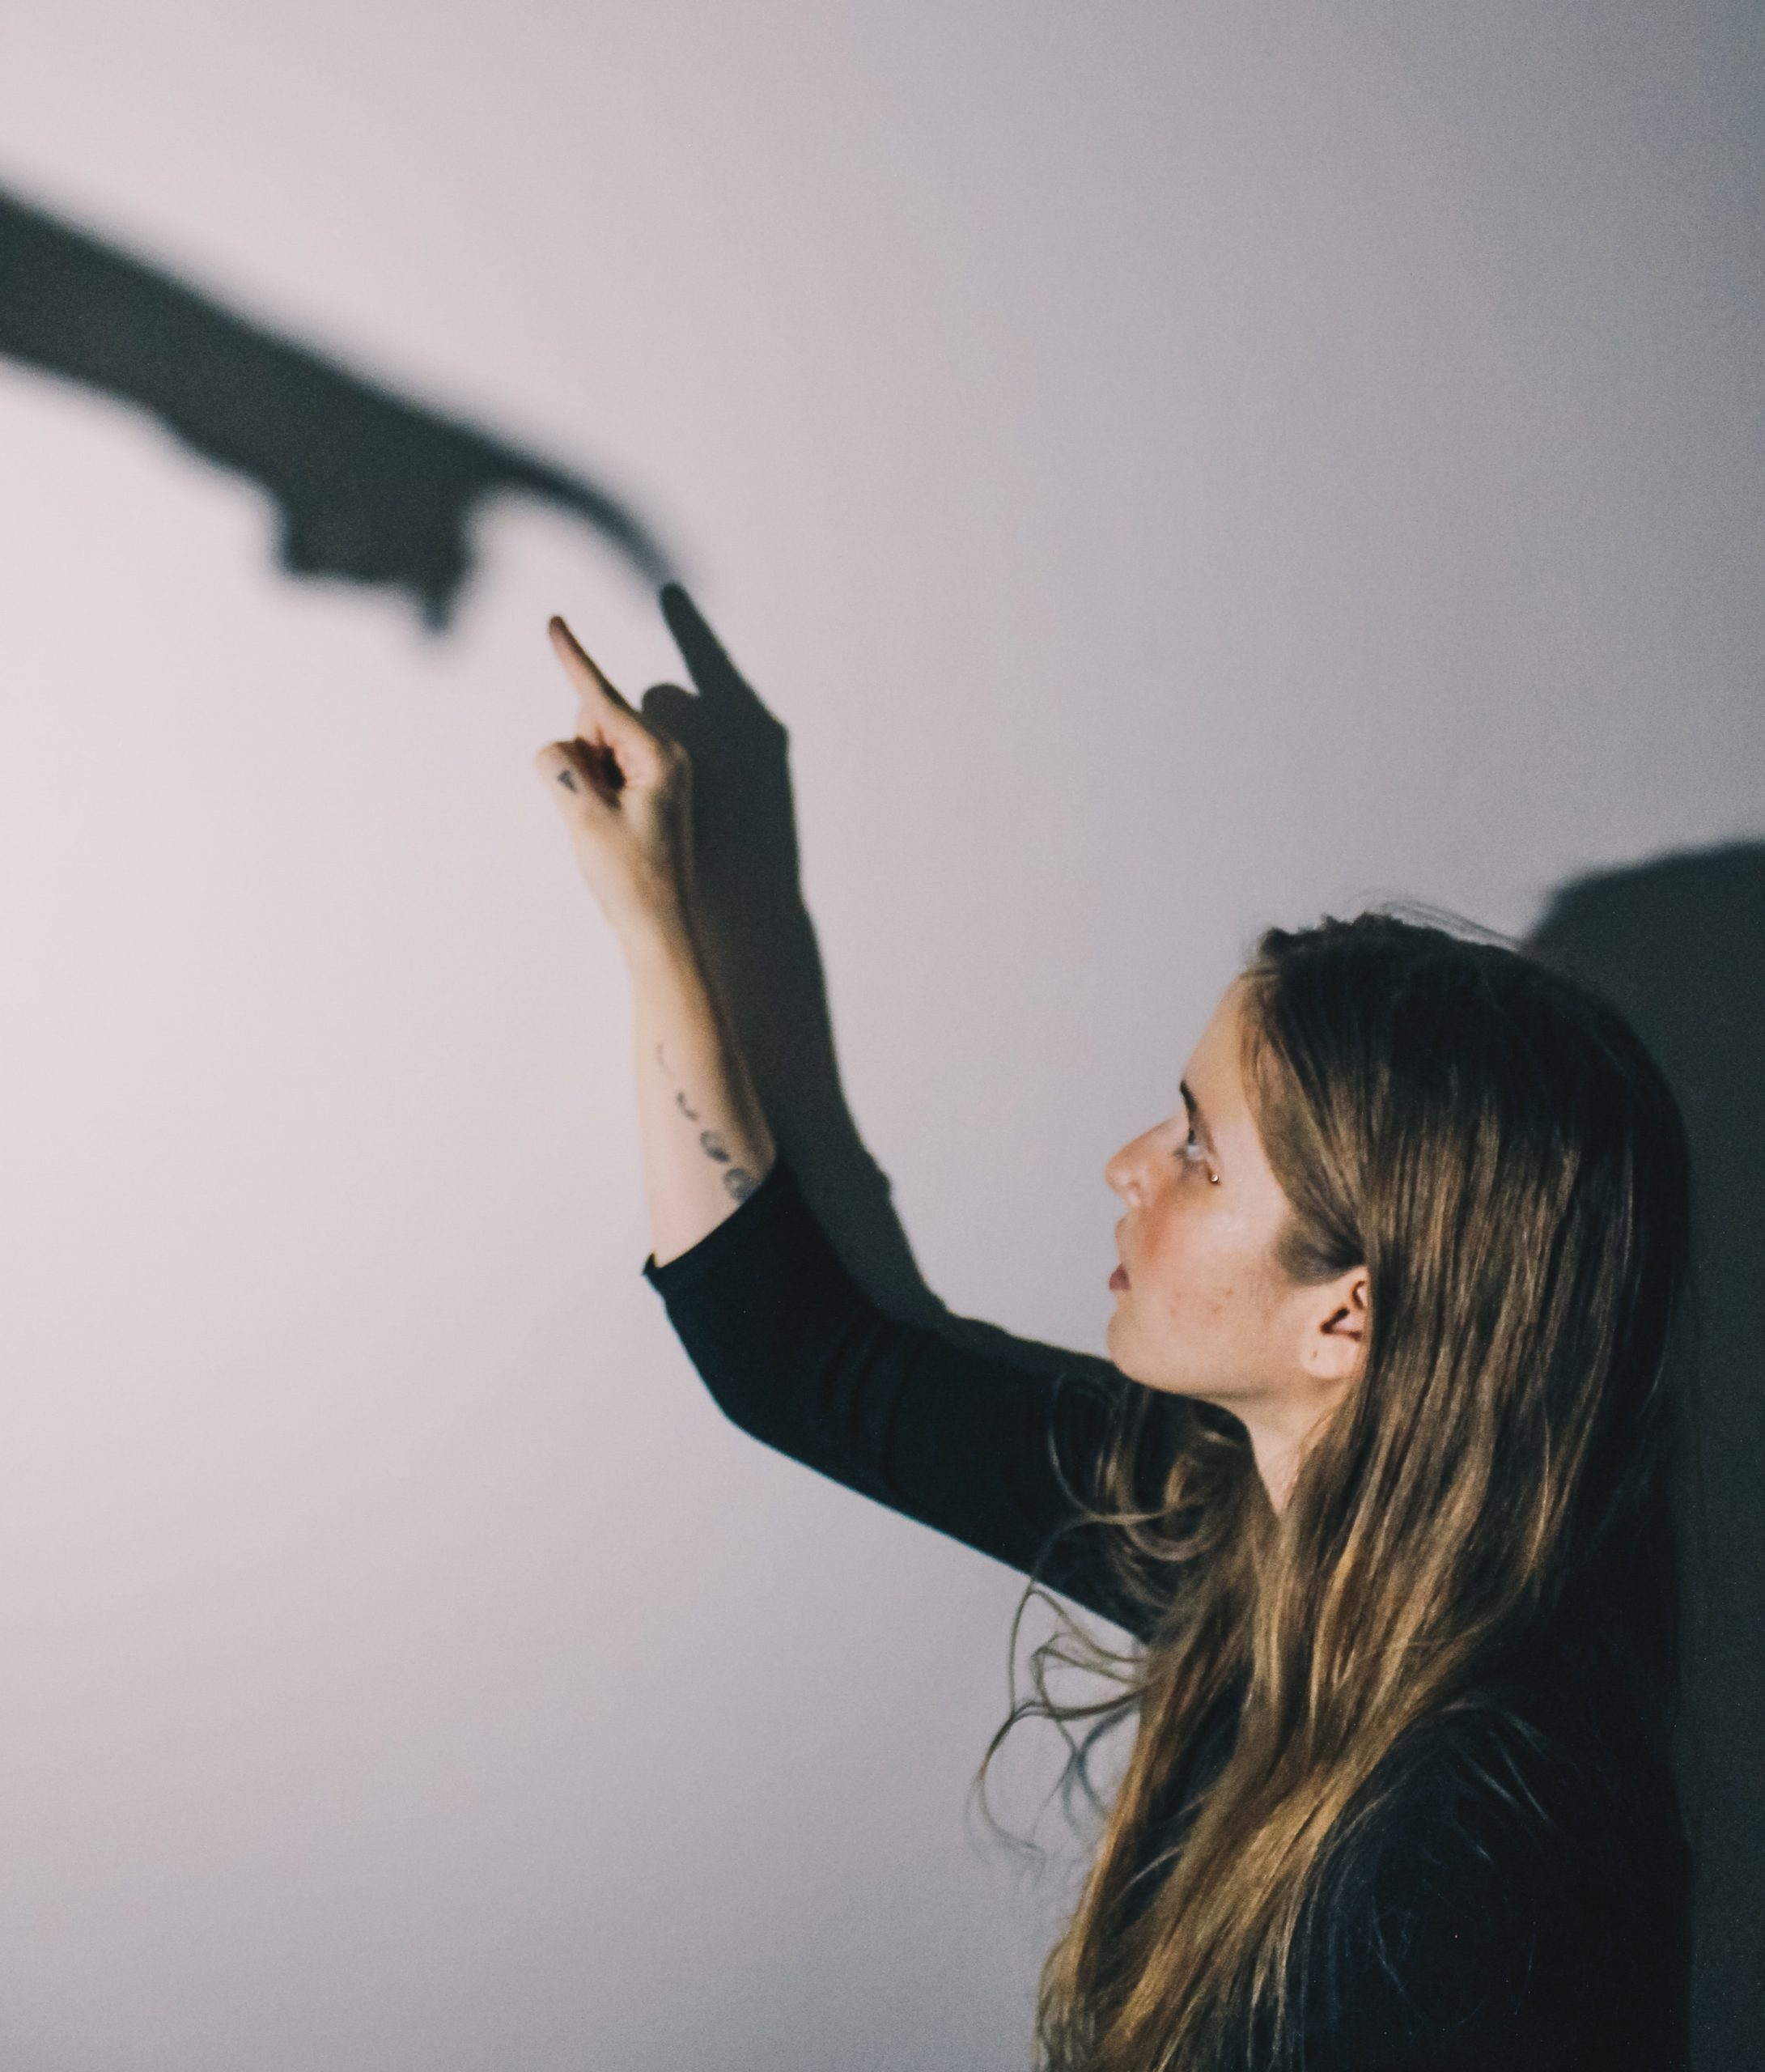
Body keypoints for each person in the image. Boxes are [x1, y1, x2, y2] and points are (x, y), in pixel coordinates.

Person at [532, 598, 1695, 2071]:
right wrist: (656, 923)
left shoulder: (1476, 1850)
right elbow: (799, 1362)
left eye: (1200, 1150)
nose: (1128, 1166)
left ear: (1348, 1313)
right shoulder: (1236, 1522)